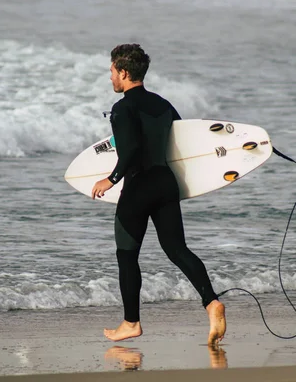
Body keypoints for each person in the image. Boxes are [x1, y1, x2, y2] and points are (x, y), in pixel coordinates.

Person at [91, 44, 226, 347]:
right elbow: (184, 141)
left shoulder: (122, 109)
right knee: (177, 250)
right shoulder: (163, 104)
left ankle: (130, 323)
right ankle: (211, 302)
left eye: (112, 71)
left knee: (127, 256)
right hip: (166, 183)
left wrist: (110, 179)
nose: (110, 77)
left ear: (124, 73)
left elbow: (131, 150)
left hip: (138, 187)